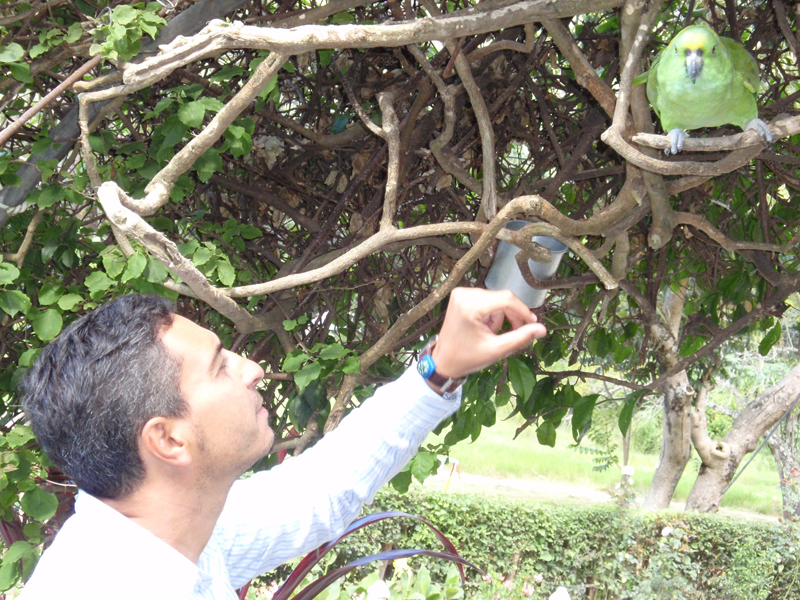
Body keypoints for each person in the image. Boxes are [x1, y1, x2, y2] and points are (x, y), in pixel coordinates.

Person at [18, 287, 546, 599]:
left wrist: (438, 369)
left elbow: (316, 492)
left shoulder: (163, 534)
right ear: (168, 439)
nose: (252, 368)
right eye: (221, 366)